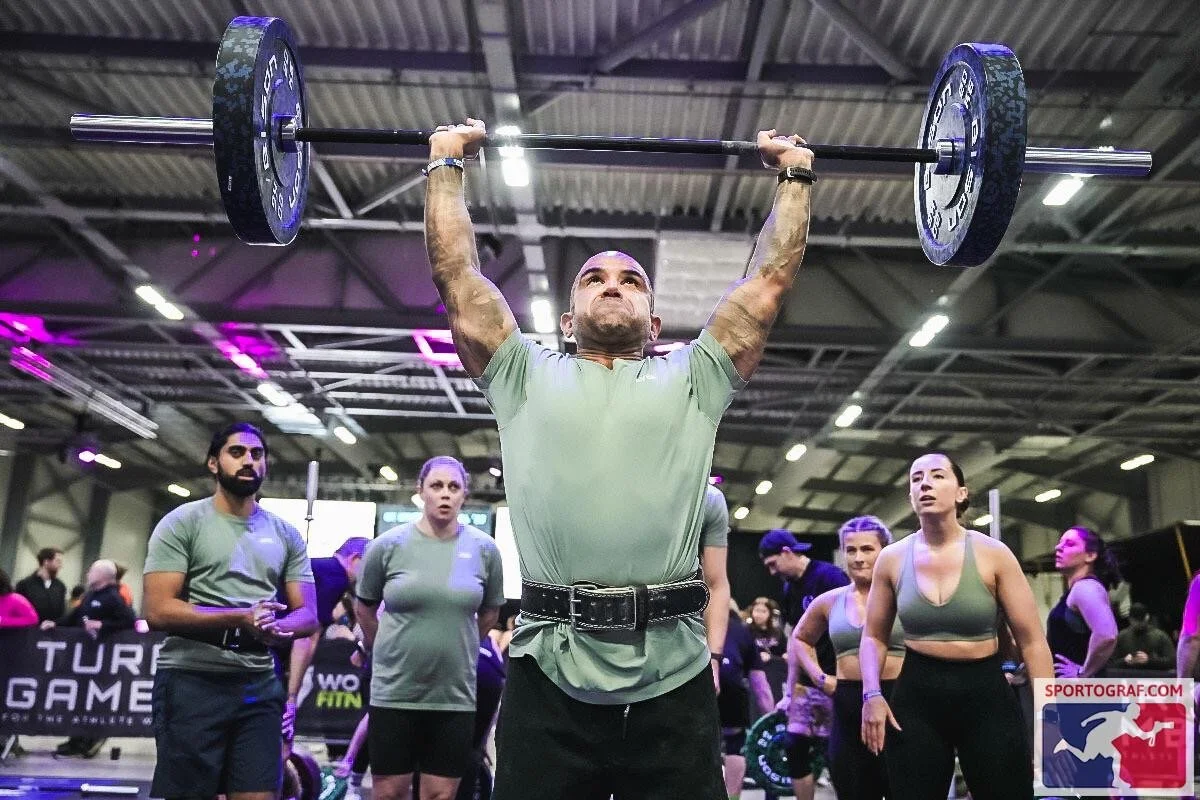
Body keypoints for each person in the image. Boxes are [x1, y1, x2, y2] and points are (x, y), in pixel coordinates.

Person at [423, 115, 812, 800]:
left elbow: (767, 285)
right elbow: (459, 279)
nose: (612, 283)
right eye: (594, 278)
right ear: (567, 320)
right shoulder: (522, 375)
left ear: (655, 323)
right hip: (548, 671)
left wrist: (794, 178)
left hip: (673, 677)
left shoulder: (696, 378)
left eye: (630, 279)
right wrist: (445, 165)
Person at [860, 452, 1052, 800]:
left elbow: (1032, 641)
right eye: (917, 479)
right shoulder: (892, 559)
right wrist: (871, 693)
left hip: (985, 694)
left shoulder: (994, 554)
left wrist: (1049, 714)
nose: (926, 484)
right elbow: (873, 636)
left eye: (937, 476)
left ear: (961, 493)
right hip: (918, 695)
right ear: (910, 498)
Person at [143, 422, 318, 800]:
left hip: (257, 684)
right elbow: (157, 611)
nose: (248, 461)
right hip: (191, 680)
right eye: (236, 452)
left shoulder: (285, 534)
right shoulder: (182, 523)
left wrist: (277, 626)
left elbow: (309, 616)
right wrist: (240, 618)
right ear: (213, 463)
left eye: (256, 454)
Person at [353, 456, 505, 800]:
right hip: (394, 693)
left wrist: (460, 645)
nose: (445, 494)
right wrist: (386, 650)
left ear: (465, 494)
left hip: (454, 697)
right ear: (420, 491)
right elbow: (363, 608)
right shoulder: (386, 546)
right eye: (436, 486)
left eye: (454, 487)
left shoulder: (484, 550)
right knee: (390, 793)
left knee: (439, 796)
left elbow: (491, 612)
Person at [794, 516, 905, 800]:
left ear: (884, 550)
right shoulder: (830, 601)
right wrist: (821, 679)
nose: (858, 558)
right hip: (847, 704)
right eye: (850, 550)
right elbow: (800, 638)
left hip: (899, 701)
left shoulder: (904, 596)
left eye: (867, 549)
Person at [758, 529, 849, 800]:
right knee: (794, 746)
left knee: (836, 753)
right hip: (808, 682)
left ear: (787, 552)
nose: (772, 572)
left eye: (772, 564)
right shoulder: (789, 588)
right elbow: (795, 641)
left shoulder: (830, 577)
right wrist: (789, 693)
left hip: (837, 680)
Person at [280, 537, 370, 752]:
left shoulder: (321, 568)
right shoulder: (336, 576)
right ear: (355, 559)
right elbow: (308, 633)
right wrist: (292, 695)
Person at [43, 558, 137, 759]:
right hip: (82, 660)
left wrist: (102, 625)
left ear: (103, 575)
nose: (88, 573)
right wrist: (56, 624)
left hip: (101, 660)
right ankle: (75, 740)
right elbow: (75, 616)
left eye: (92, 570)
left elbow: (129, 621)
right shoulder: (90, 595)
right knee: (79, 700)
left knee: (93, 701)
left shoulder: (113, 597)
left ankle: (89, 740)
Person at [1047, 526, 1119, 679]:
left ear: (1090, 555)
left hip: (1085, 695)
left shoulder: (1086, 588)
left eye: (1069, 544)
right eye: (1060, 543)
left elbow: (1107, 635)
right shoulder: (1076, 590)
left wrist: (1083, 673)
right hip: (1073, 692)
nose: (1058, 548)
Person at [1112, 602, 1174, 671]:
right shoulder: (1122, 636)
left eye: (1141, 620)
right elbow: (1110, 663)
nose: (1139, 623)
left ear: (1147, 617)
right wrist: (1124, 661)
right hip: (1128, 677)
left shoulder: (1160, 636)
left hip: (1153, 677)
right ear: (1130, 619)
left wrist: (1149, 660)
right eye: (1136, 620)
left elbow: (1172, 661)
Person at [15, 546, 66, 622]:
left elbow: (61, 614)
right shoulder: (24, 584)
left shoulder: (60, 586)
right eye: (58, 561)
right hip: (29, 630)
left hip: (53, 631)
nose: (61, 566)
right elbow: (17, 611)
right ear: (46, 562)